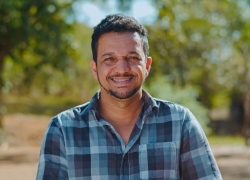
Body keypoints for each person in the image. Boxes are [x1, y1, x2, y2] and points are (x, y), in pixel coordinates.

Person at [36, 14, 222, 180]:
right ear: (95, 69)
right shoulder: (63, 129)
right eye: (110, 59)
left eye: (132, 58)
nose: (122, 69)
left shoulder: (180, 122)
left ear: (147, 65)